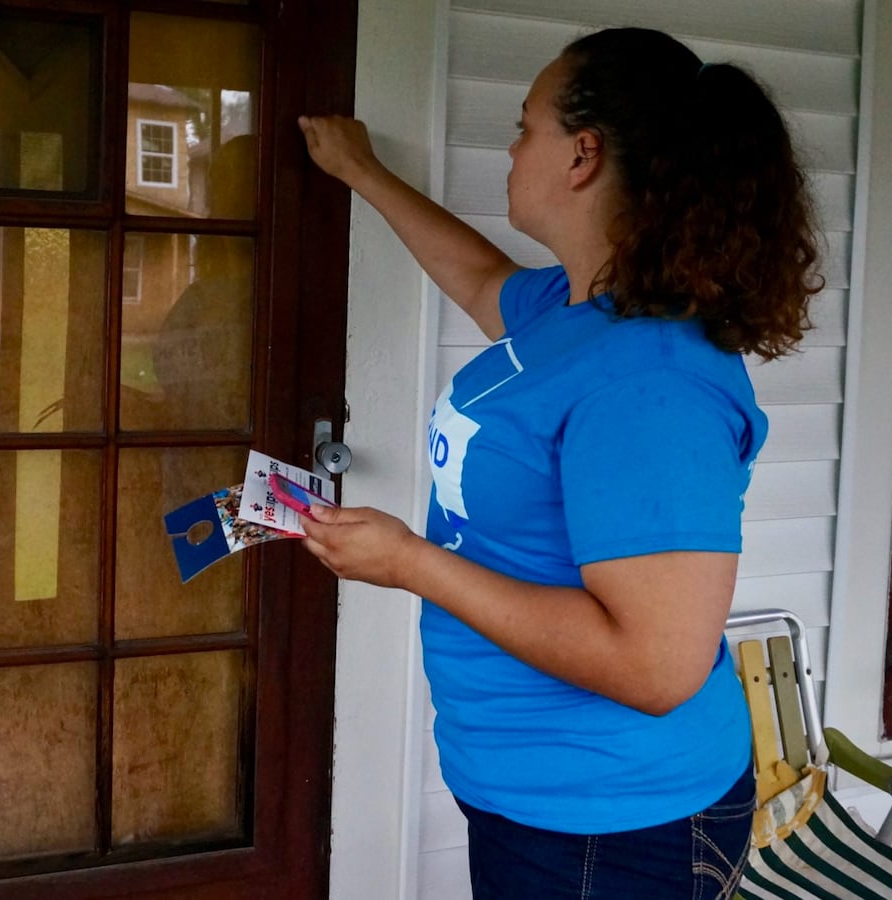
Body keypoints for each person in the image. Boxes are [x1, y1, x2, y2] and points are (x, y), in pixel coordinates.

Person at [296, 27, 823, 900]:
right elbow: (476, 276)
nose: (511, 149)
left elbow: (657, 667)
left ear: (583, 155)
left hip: (612, 827)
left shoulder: (651, 383)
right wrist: (363, 173)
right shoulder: (579, 312)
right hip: (543, 796)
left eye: (523, 126)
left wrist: (411, 563)